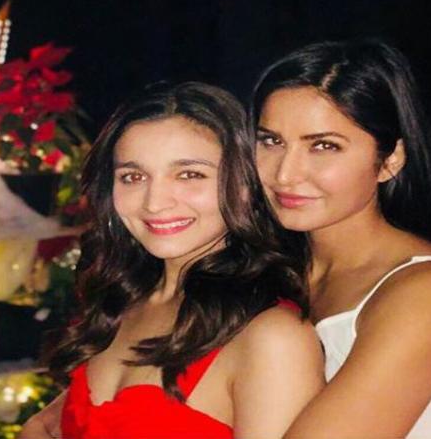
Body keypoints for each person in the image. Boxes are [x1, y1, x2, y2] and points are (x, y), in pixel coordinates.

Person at [20, 82, 324, 438]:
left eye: (189, 174)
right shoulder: (122, 302)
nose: (154, 202)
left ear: (245, 185)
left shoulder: (272, 337)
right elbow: (40, 426)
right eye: (133, 177)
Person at [250, 39, 431, 438]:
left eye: (323, 146)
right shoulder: (273, 270)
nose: (285, 174)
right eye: (271, 141)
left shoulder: (430, 294)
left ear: (390, 160)